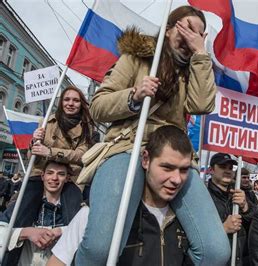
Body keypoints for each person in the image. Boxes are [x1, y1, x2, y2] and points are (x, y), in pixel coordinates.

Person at [76, 6, 229, 265]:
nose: (192, 38)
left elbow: (202, 105)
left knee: (216, 251)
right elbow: (98, 107)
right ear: (169, 30)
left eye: (200, 34)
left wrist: (201, 54)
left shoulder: (196, 68)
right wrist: (133, 96)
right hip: (128, 147)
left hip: (173, 155)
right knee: (101, 248)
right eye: (187, 29)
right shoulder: (137, 58)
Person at [48, 126, 200, 266]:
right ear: (146, 160)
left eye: (184, 170)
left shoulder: (191, 225)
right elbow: (56, 262)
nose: (176, 179)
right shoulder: (100, 213)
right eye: (167, 167)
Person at [0, 161, 82, 265]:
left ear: (67, 178)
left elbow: (86, 235)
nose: (54, 178)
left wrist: (61, 231)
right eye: (50, 173)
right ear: (42, 176)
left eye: (61, 174)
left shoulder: (76, 208)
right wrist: (26, 233)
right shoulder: (23, 204)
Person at [30, 86, 94, 183]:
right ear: (61, 102)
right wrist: (34, 142)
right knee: (26, 197)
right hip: (41, 174)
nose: (70, 104)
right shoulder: (46, 122)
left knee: (73, 198)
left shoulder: (86, 126)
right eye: (66, 99)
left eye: (76, 100)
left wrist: (50, 152)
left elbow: (81, 156)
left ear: (81, 104)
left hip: (69, 177)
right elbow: (31, 158)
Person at [207, 153, 256, 265]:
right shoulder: (203, 197)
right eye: (223, 167)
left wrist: (245, 207)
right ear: (211, 170)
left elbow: (257, 225)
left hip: (243, 261)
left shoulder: (240, 194)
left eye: (231, 168)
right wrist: (222, 230)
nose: (228, 171)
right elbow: (196, 237)